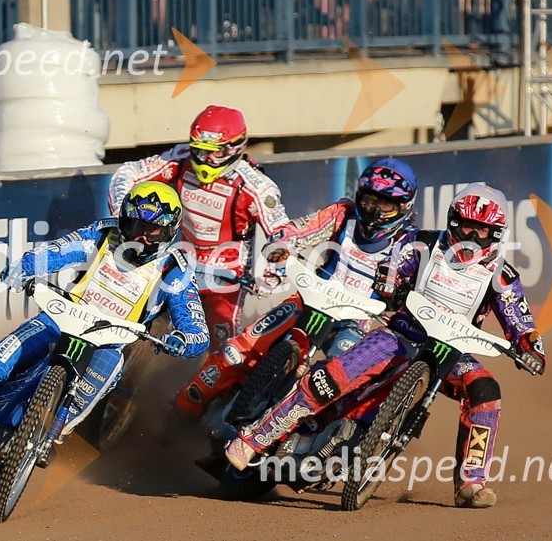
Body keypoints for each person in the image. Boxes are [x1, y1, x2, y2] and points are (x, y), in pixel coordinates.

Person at [225, 183, 546, 509]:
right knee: (331, 377)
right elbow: (392, 264)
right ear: (452, 221)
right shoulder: (423, 242)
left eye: (481, 230)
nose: (471, 236)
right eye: (465, 226)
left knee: (485, 389)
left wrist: (531, 348)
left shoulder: (502, 276)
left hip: (452, 353)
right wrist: (390, 283)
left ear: (496, 235)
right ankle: (255, 438)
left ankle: (471, 483)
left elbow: (521, 322)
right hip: (401, 336)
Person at [0, 182, 210, 491]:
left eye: (150, 230)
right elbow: (56, 251)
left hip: (109, 343)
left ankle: (35, 443)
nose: (139, 237)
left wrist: (183, 340)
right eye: (134, 225)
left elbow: (197, 328)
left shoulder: (175, 269)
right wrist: (25, 267)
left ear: (168, 231)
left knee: (103, 375)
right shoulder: (102, 233)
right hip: (58, 320)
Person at [172, 158, 418, 418]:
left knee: (335, 382)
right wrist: (282, 244)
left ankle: (298, 435)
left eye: (385, 205)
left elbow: (415, 293)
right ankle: (180, 410)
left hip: (356, 320)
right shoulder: (343, 213)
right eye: (369, 200)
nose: (373, 211)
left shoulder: (410, 243)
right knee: (237, 350)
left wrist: (399, 303)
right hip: (310, 301)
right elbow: (301, 229)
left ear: (404, 207)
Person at [107, 105, 289, 352]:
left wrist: (273, 272)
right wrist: (121, 213)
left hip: (226, 279)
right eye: (200, 151)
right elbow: (126, 173)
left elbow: (282, 233)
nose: (204, 160)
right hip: (181, 263)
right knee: (137, 321)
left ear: (235, 147)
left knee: (219, 347)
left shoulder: (257, 186)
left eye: (214, 153)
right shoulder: (180, 157)